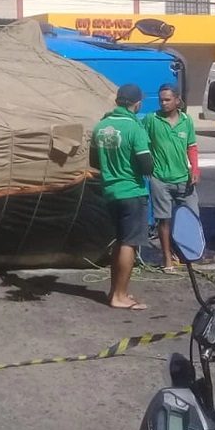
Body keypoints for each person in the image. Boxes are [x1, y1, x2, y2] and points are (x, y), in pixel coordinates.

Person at [90, 83, 155, 311]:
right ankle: (120, 295)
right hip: (132, 192)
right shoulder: (134, 128)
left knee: (119, 242)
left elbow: (94, 162)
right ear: (136, 104)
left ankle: (116, 290)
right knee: (130, 243)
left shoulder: (101, 126)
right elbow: (147, 165)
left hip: (110, 192)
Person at [143, 82, 200, 272]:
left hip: (183, 178)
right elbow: (141, 143)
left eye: (167, 100)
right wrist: (146, 166)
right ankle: (167, 258)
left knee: (191, 216)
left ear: (177, 100)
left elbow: (191, 146)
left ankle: (186, 253)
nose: (163, 103)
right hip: (160, 179)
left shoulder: (187, 121)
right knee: (164, 219)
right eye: (161, 100)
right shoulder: (152, 120)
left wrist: (195, 169)